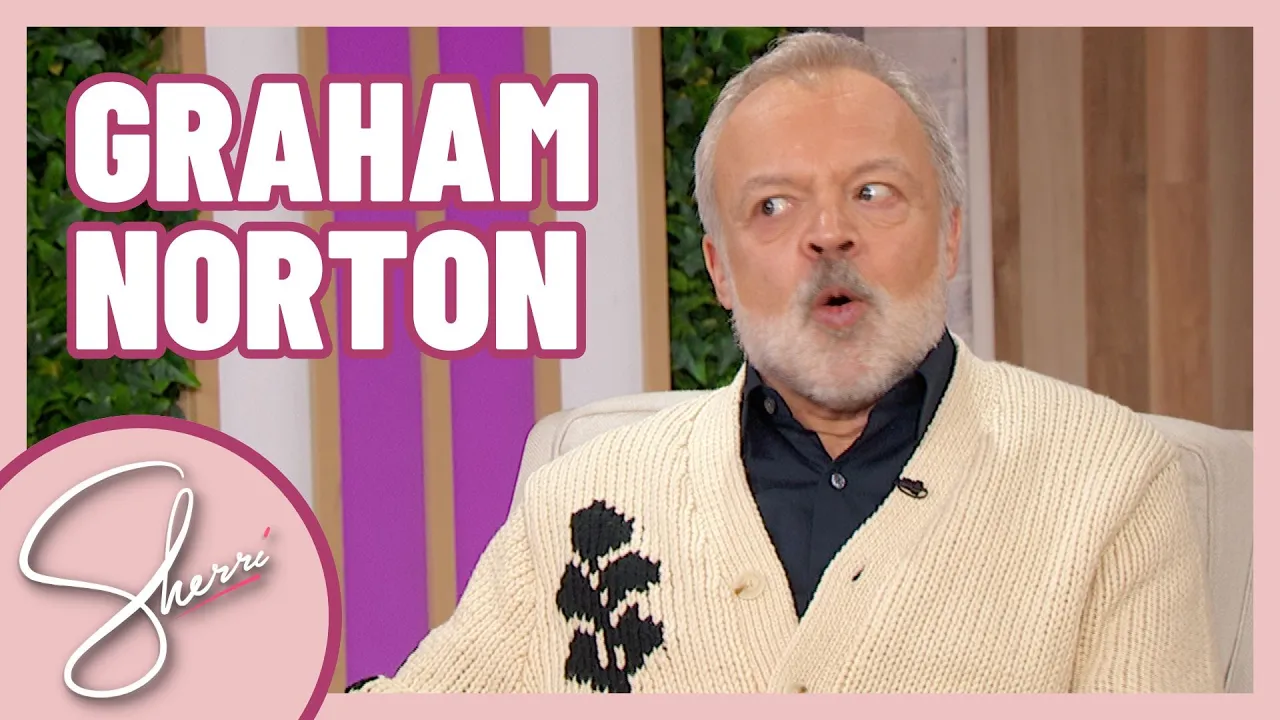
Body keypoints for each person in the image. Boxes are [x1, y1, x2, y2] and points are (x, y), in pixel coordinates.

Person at [347, 30, 1217, 694]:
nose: (828, 232)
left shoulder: (1110, 481)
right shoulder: (582, 498)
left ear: (951, 235)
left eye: (873, 193)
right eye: (772, 206)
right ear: (721, 270)